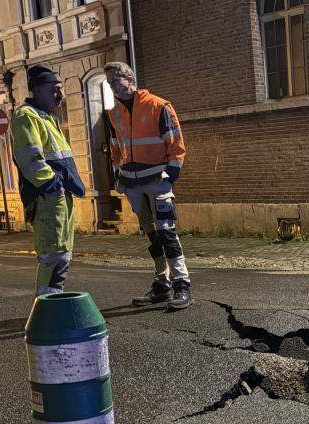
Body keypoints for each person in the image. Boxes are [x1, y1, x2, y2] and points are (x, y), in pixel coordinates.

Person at [103, 61, 192, 310]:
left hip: (157, 181)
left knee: (166, 231)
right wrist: (119, 175)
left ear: (129, 79)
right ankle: (162, 284)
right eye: (109, 82)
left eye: (115, 81)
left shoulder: (158, 106)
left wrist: (169, 177)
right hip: (132, 184)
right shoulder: (114, 114)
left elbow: (176, 144)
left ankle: (182, 285)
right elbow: (115, 147)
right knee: (152, 235)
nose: (112, 87)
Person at [11, 64, 86, 296]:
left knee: (61, 253)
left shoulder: (46, 118)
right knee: (53, 255)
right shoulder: (27, 116)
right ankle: (47, 308)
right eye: (54, 88)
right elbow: (29, 158)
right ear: (37, 90)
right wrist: (52, 185)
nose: (59, 94)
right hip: (48, 197)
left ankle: (50, 306)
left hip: (57, 196)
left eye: (60, 88)